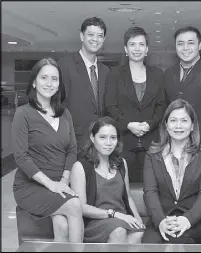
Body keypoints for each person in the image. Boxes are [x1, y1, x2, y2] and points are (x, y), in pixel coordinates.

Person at [11, 58, 83, 242]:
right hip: (31, 187)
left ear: (59, 84)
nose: (49, 83)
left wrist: (64, 180)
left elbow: (72, 150)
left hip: (59, 184)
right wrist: (51, 185)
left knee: (62, 225)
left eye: (54, 79)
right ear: (34, 82)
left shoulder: (65, 114)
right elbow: (21, 156)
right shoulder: (23, 113)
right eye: (44, 78)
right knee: (74, 205)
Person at [142, 99, 201, 244]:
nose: (178, 126)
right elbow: (150, 192)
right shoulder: (152, 155)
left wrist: (187, 219)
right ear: (166, 125)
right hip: (162, 219)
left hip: (195, 222)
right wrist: (161, 221)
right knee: (149, 244)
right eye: (173, 120)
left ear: (192, 125)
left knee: (178, 241)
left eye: (184, 121)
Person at [70, 116, 145, 243]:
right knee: (119, 231)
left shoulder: (121, 163)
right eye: (103, 137)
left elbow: (129, 197)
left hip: (122, 218)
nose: (108, 143)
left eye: (113, 138)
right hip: (95, 222)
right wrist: (113, 214)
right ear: (92, 138)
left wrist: (138, 219)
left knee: (137, 233)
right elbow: (81, 207)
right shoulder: (80, 167)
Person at [105, 26, 166, 183]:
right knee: (123, 187)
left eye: (141, 44)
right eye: (132, 44)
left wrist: (149, 124)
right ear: (126, 49)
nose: (137, 48)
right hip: (123, 142)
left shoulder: (157, 74)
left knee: (153, 186)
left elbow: (161, 105)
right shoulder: (115, 74)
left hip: (152, 142)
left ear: (147, 49)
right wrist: (128, 125)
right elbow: (110, 106)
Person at [163, 26, 201, 158]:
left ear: (199, 45)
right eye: (180, 44)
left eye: (190, 43)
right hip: (173, 145)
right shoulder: (168, 74)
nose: (185, 48)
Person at [58, 17, 110, 150]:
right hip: (73, 140)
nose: (95, 39)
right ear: (82, 36)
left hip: (101, 141)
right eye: (90, 35)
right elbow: (56, 104)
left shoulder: (106, 71)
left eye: (100, 36)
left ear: (103, 39)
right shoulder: (64, 66)